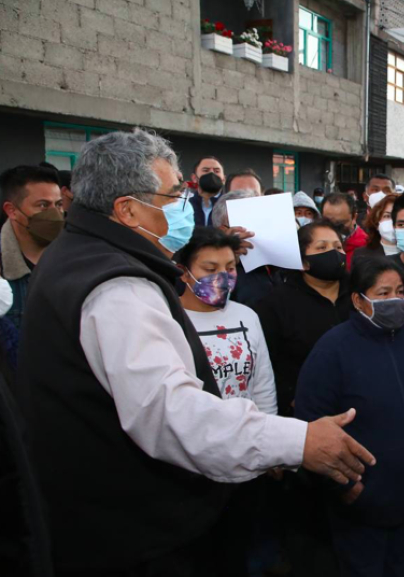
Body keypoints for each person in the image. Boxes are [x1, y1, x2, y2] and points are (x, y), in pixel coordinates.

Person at [15, 129, 375, 575]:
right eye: (172, 195)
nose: (184, 206)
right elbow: (171, 415)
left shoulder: (76, 252)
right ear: (128, 209)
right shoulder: (118, 287)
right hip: (132, 534)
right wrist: (297, 440)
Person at [295, 257, 404, 577]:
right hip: (361, 502)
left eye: (400, 292)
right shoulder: (332, 350)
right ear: (359, 300)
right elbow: (310, 423)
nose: (395, 300)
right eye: (383, 293)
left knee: (403, 565)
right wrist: (343, 488)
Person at [255, 220, 351, 416]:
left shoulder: (359, 293)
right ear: (303, 262)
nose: (333, 253)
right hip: (307, 410)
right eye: (322, 247)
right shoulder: (276, 304)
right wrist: (291, 398)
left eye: (338, 246)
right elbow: (268, 363)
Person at [176, 226, 277, 414]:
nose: (223, 276)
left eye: (230, 267)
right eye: (210, 269)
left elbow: (262, 387)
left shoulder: (247, 316)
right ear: (183, 272)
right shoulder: (169, 319)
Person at [0, 165, 64, 330]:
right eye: (43, 205)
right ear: (12, 210)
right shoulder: (3, 269)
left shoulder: (76, 258)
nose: (55, 214)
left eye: (58, 204)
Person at [211, 189, 283, 309]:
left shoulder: (278, 263)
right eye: (247, 222)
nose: (254, 231)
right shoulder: (214, 271)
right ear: (223, 231)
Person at [322, 192, 368, 270]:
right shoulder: (312, 244)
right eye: (328, 222)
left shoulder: (367, 246)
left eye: (340, 223)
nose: (334, 228)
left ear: (354, 217)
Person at [353, 193, 400, 265]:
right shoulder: (361, 255)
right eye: (387, 216)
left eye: (398, 217)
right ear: (377, 222)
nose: (393, 222)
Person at [190, 156, 225, 227]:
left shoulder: (231, 208)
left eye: (216, 171)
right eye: (206, 170)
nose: (212, 173)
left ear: (224, 179)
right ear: (194, 178)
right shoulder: (184, 207)